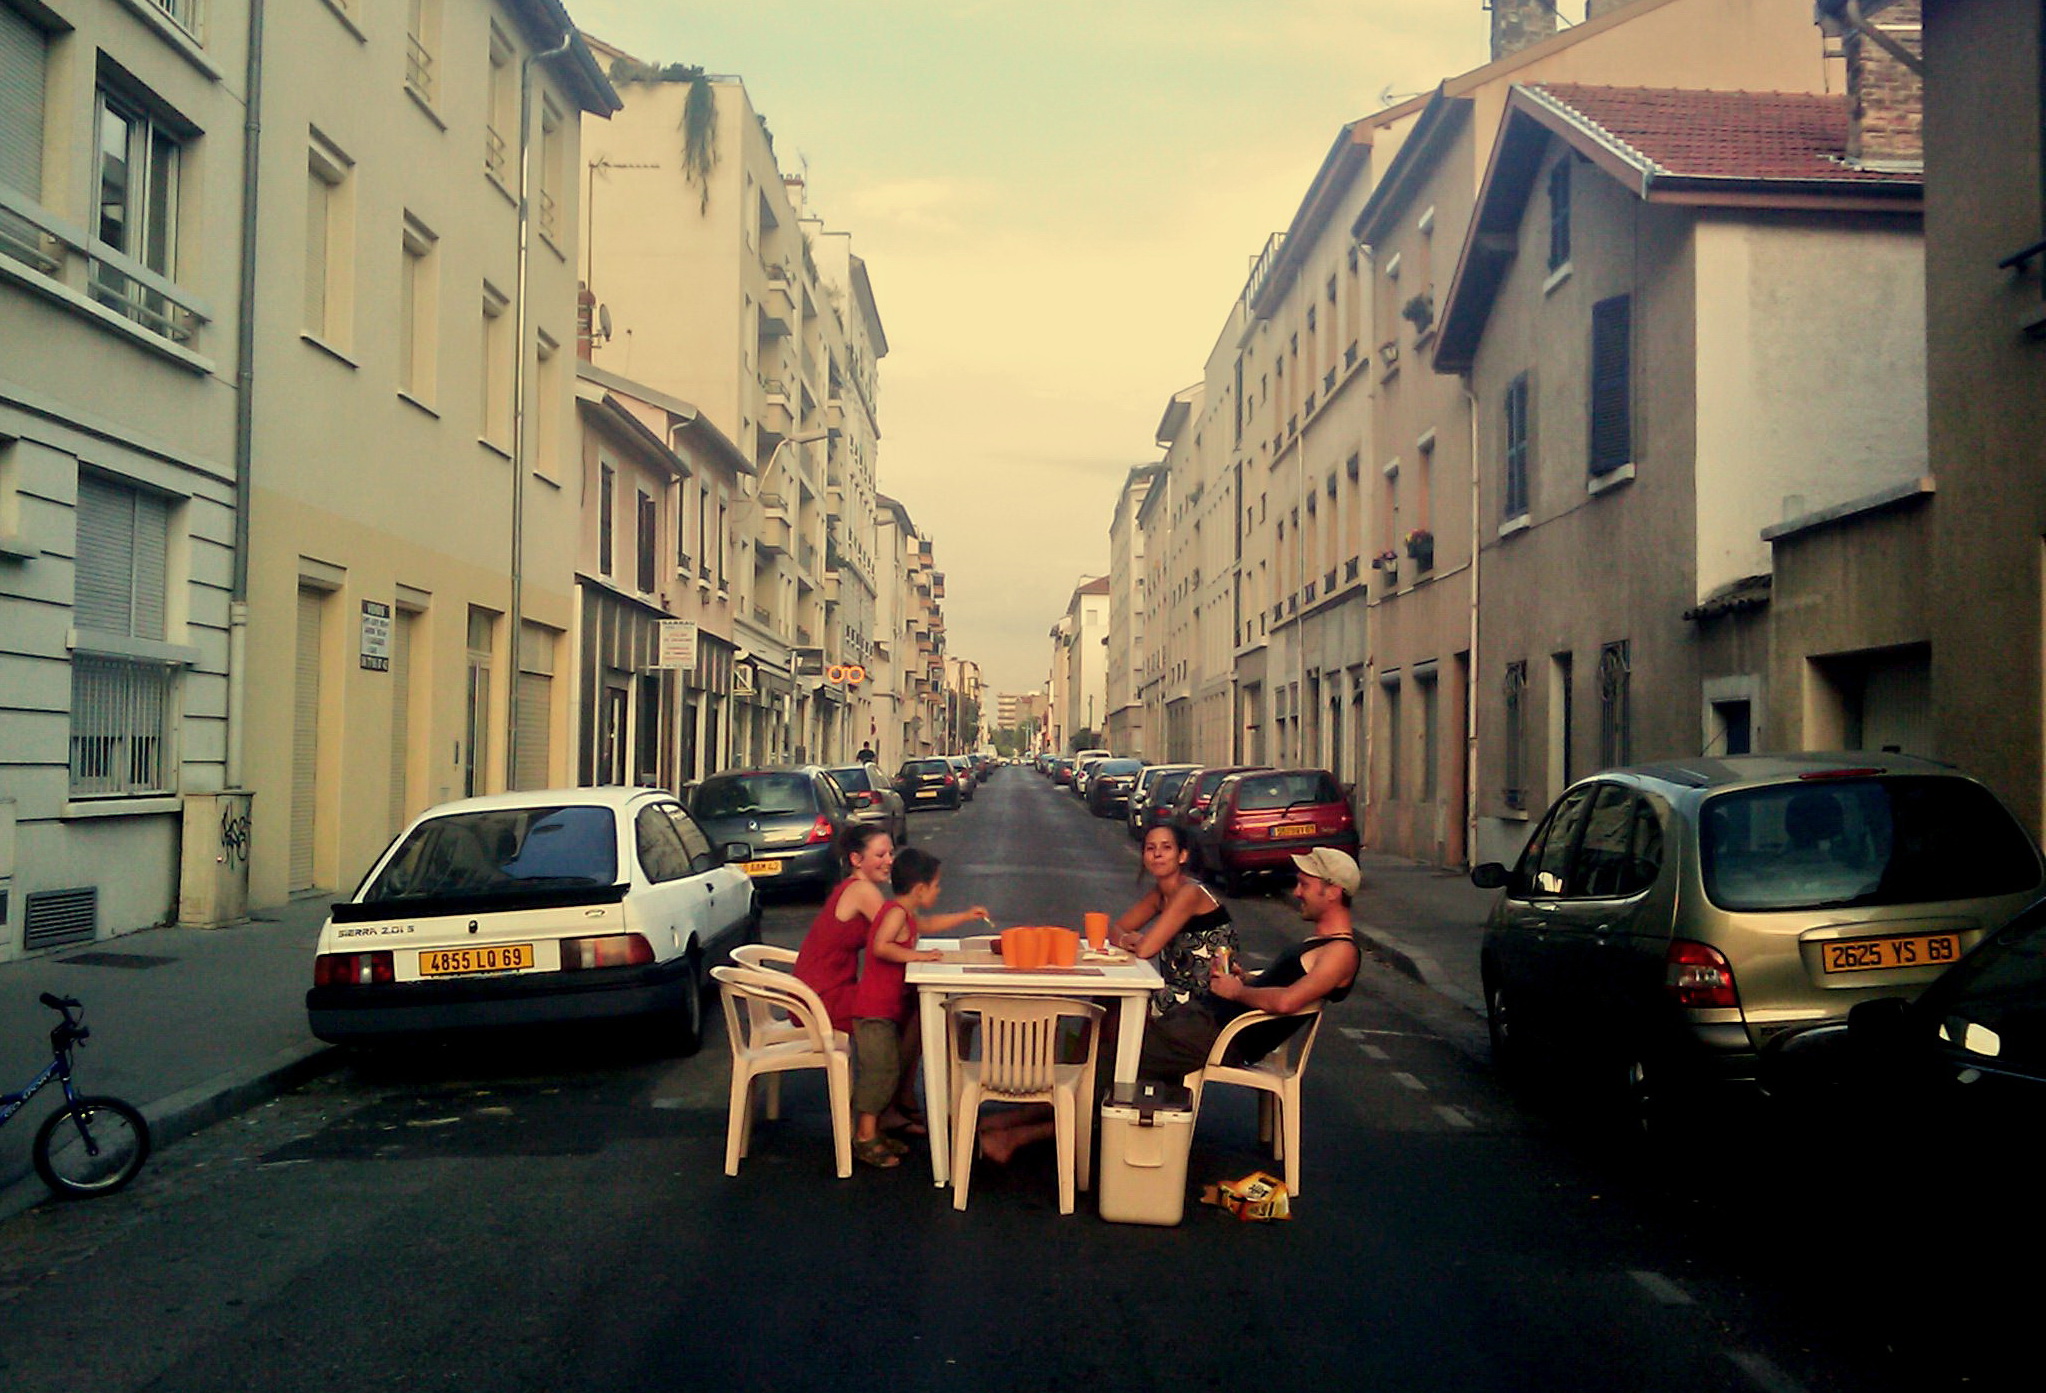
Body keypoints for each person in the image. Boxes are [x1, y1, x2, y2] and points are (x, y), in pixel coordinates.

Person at [1136, 846, 1364, 1082]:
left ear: (1333, 892)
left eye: (1305, 885)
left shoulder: (1341, 952)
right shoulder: (1320, 943)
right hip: (1204, 1023)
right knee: (1119, 1030)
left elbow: (1287, 1001)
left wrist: (1236, 992)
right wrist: (1246, 979)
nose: (1296, 893)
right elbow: (1283, 984)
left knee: (1120, 1054)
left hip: (1217, 1035)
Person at [849, 847, 991, 1169]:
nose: (938, 891)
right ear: (920, 889)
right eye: (937, 886)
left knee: (890, 1066)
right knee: (880, 1070)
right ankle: (864, 1135)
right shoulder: (896, 914)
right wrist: (918, 956)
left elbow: (927, 925)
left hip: (886, 1009)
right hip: (874, 1010)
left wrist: (966, 916)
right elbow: (882, 946)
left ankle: (878, 1128)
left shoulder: (902, 911)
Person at [1114, 823, 1240, 1015]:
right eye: (1150, 848)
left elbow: (1146, 949)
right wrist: (1125, 939)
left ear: (1183, 856)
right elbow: (1115, 928)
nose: (1157, 854)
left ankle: (1108, 1046)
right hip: (1178, 993)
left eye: (1166, 847)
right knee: (1111, 996)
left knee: (1120, 999)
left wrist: (1137, 941)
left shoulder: (1190, 892)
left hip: (1206, 1002)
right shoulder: (1159, 895)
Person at [793, 824, 896, 1033]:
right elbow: (901, 936)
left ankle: (893, 1065)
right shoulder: (862, 890)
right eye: (880, 855)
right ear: (856, 860)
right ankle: (886, 1066)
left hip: (815, 995)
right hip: (820, 1001)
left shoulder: (851, 886)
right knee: (902, 1004)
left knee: (903, 999)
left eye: (891, 853)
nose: (889, 861)